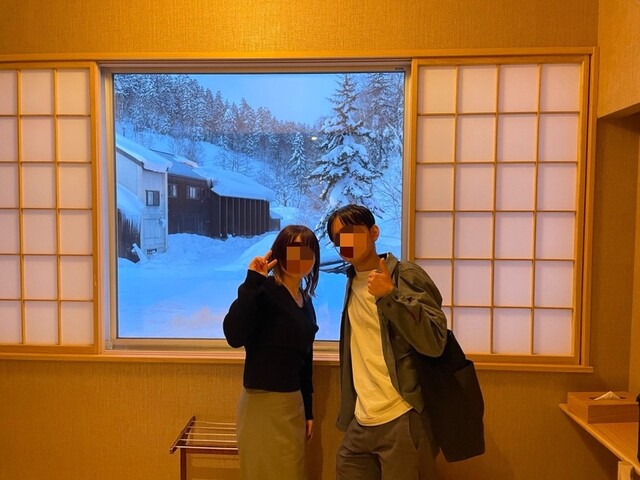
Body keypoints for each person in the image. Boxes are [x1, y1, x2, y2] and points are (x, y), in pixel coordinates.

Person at [327, 204, 448, 480]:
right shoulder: (351, 281)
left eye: (352, 233)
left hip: (402, 415)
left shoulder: (405, 275)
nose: (346, 242)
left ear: (373, 232)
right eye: (339, 238)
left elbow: (435, 341)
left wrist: (389, 296)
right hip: (361, 419)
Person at [223, 225, 320, 480]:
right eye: (293, 251)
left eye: (307, 252)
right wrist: (251, 282)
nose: (300, 259)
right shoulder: (263, 291)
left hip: (293, 404)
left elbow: (304, 361)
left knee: (292, 473)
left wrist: (308, 411)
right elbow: (234, 335)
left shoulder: (305, 301)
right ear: (279, 253)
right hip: (262, 404)